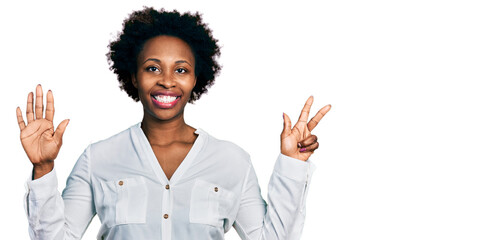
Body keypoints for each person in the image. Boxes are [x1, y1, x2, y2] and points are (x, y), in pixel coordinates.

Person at [16, 7, 331, 240]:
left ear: (196, 78)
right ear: (133, 76)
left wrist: (292, 164)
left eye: (181, 70)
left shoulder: (232, 161)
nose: (167, 81)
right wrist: (43, 168)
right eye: (153, 68)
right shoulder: (97, 158)